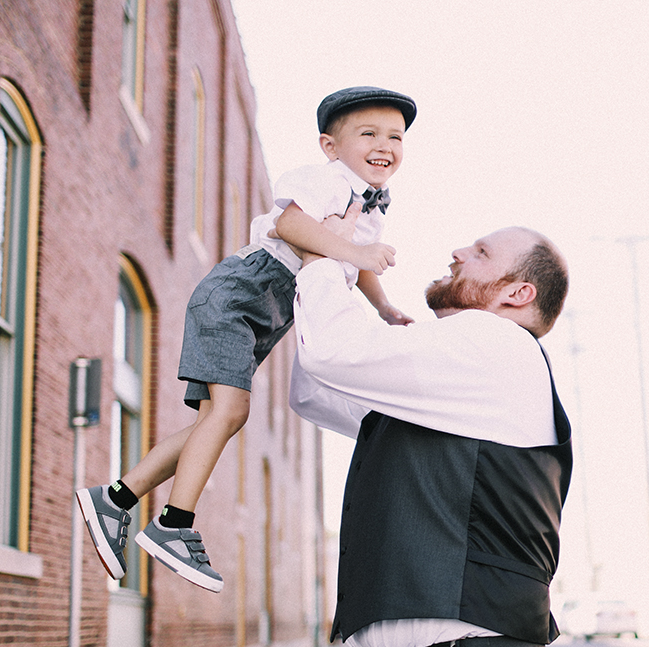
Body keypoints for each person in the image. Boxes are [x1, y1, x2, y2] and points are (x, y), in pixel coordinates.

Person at [75, 86, 417, 592]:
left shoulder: (369, 210)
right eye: (368, 133)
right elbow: (290, 223)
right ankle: (173, 524)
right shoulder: (328, 181)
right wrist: (358, 253)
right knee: (232, 413)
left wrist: (384, 307)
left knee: (216, 420)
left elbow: (354, 260)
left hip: (265, 315)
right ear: (330, 146)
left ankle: (116, 500)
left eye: (395, 135)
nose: (383, 143)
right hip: (242, 293)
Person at [288, 205, 572, 647]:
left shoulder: (493, 343)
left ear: (517, 293)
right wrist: (330, 265)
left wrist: (326, 251)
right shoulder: (462, 374)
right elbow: (318, 390)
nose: (458, 252)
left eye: (481, 252)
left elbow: (331, 355)